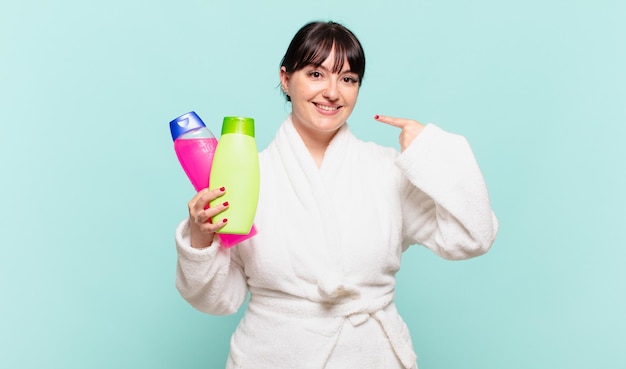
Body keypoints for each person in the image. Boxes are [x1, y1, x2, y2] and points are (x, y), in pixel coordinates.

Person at [174, 20, 499, 369]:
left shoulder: (388, 170)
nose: (333, 91)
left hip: (371, 355)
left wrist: (431, 154)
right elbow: (215, 300)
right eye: (316, 74)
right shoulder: (248, 174)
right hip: (273, 356)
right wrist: (200, 236)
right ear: (286, 78)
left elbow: (473, 237)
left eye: (348, 79)